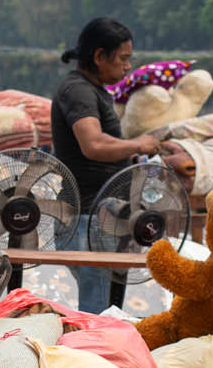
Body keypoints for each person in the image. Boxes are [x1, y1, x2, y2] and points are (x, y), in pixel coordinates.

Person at [51, 16, 161, 313]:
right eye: (123, 58)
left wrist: (133, 155)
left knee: (109, 307)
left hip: (104, 217)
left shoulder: (95, 89)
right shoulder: (78, 90)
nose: (128, 66)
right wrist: (139, 144)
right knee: (98, 311)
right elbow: (94, 145)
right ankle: (93, 355)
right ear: (99, 56)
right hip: (88, 217)